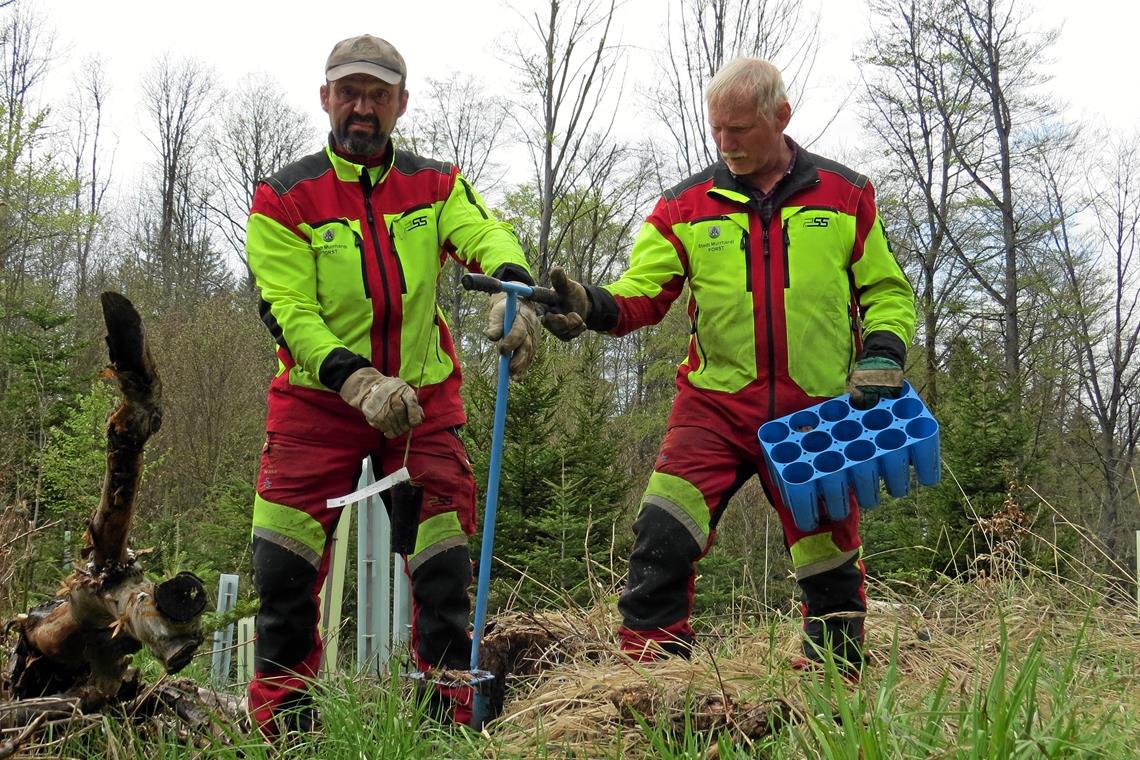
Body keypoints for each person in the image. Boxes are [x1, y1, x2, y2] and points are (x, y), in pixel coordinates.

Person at [543, 58, 915, 676]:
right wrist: (595, 306)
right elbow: (644, 292)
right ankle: (652, 680)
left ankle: (832, 686)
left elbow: (887, 291)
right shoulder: (684, 206)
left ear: (782, 117)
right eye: (718, 131)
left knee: (829, 562)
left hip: (816, 414)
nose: (726, 144)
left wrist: (882, 352)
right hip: (712, 409)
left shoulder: (847, 195)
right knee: (662, 535)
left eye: (740, 129)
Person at [244, 33, 541, 734]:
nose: (362, 108)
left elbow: (485, 233)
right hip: (318, 405)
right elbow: (291, 312)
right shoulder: (284, 196)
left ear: (400, 104)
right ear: (325, 97)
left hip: (424, 402)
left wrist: (513, 288)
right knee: (282, 577)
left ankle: (444, 724)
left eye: (377, 96)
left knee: (443, 568)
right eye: (349, 92)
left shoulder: (435, 182)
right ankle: (287, 732)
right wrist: (356, 379)